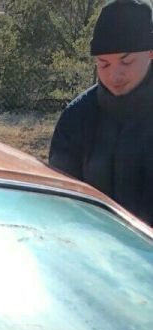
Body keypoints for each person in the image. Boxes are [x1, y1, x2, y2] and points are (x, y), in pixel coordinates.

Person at [49, 0, 153, 224]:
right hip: (94, 251)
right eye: (104, 64)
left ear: (150, 53)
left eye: (126, 62)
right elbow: (60, 203)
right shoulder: (76, 118)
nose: (115, 76)